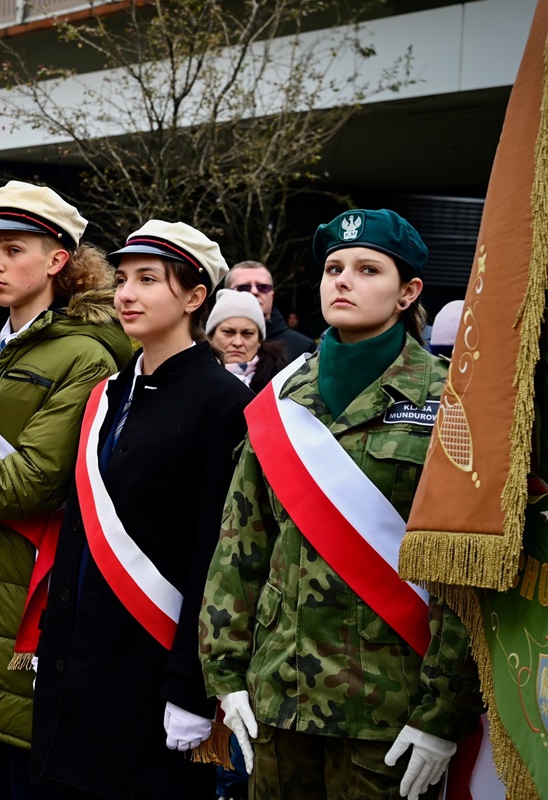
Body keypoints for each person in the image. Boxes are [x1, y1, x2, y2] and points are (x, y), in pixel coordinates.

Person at [200, 209, 483, 799]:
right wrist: (224, 673)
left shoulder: (450, 402)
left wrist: (443, 713)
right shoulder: (283, 398)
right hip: (280, 698)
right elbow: (241, 545)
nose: (343, 281)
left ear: (408, 292)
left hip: (391, 709)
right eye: (333, 269)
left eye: (367, 269)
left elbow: (463, 571)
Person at [0, 181, 133, 799]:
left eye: (13, 250)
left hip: (27, 604)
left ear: (58, 260)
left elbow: (28, 484)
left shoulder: (88, 355)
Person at [29, 221, 251, 799]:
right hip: (75, 665)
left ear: (195, 297)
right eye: (123, 279)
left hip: (149, 670)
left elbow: (216, 555)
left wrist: (190, 687)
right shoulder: (109, 392)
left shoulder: (224, 402)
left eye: (148, 280)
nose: (126, 293)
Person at [224, 260, 314, 361]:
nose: (254, 291)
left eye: (263, 287)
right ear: (226, 296)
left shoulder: (303, 348)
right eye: (244, 287)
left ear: (272, 296)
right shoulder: (212, 346)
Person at [206, 288, 289, 393]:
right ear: (210, 337)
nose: (237, 343)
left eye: (248, 334)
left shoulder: (281, 384)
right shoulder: (193, 376)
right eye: (228, 332)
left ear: (259, 341)